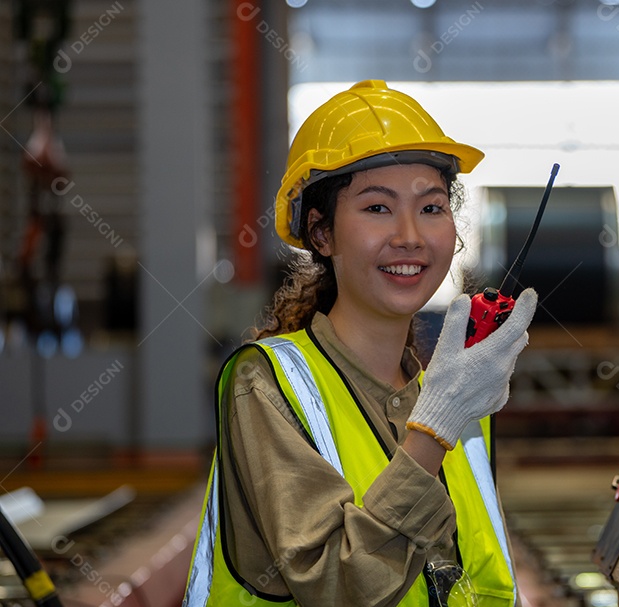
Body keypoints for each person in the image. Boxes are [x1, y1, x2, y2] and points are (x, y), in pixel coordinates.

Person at [183, 80, 538, 607]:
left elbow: (482, 585)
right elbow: (338, 586)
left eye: (432, 207)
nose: (410, 236)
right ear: (321, 235)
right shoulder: (267, 386)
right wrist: (434, 428)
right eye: (377, 208)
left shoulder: (453, 394)